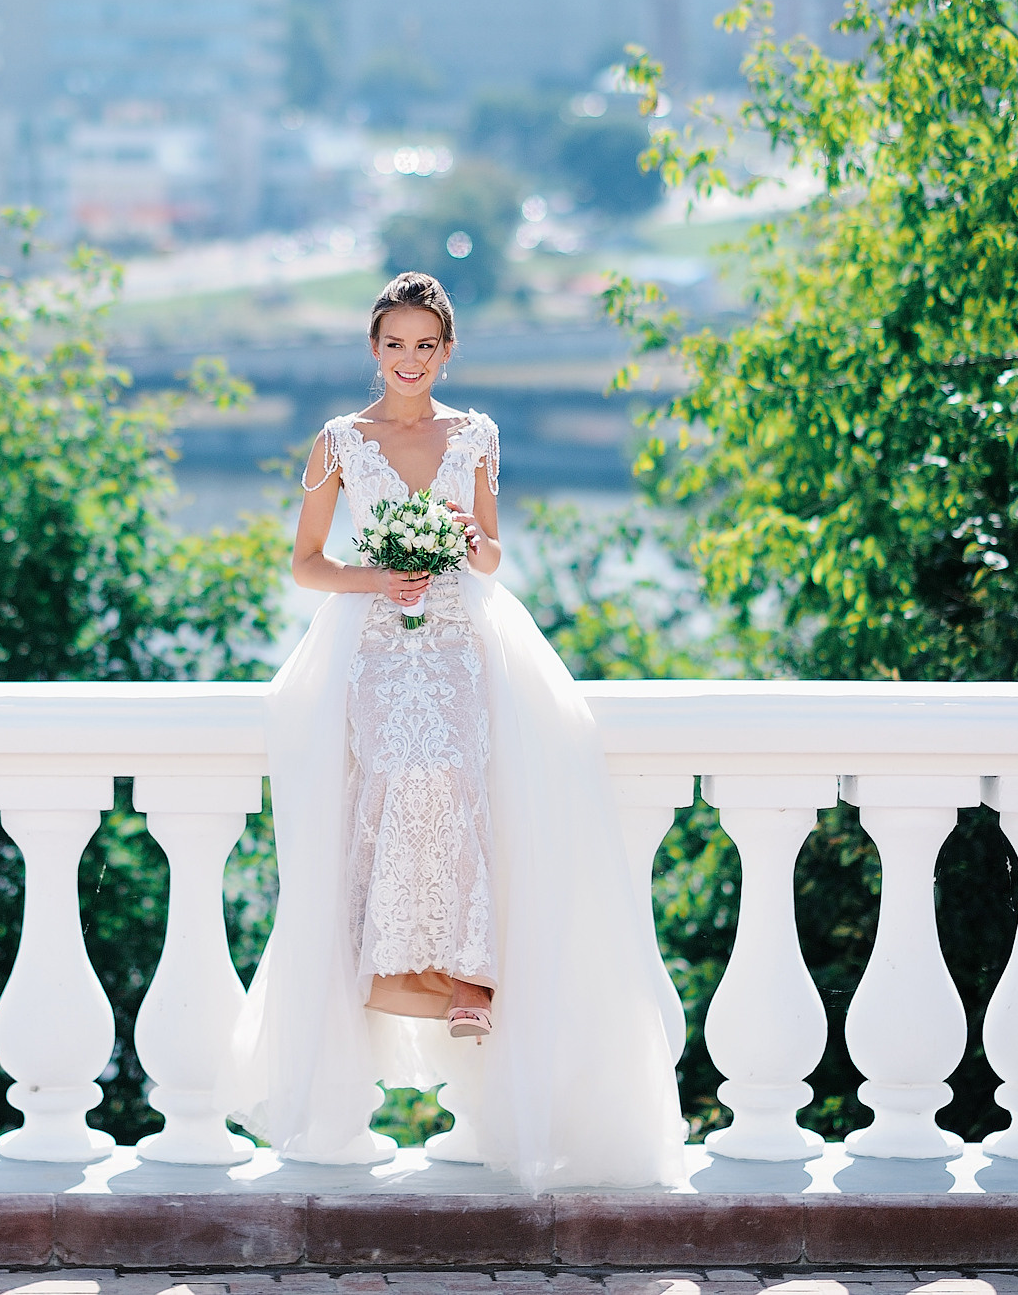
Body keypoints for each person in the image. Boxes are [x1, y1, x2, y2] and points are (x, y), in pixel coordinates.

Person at [228, 271, 686, 1191]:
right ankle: (400, 972)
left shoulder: (473, 434)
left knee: (467, 778)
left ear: (446, 352)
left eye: (425, 346)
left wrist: (458, 543)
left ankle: (471, 980)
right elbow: (308, 563)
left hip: (460, 640)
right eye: (393, 344)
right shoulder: (338, 443)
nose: (408, 361)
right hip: (377, 648)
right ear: (374, 350)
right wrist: (377, 579)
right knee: (401, 775)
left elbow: (492, 545)